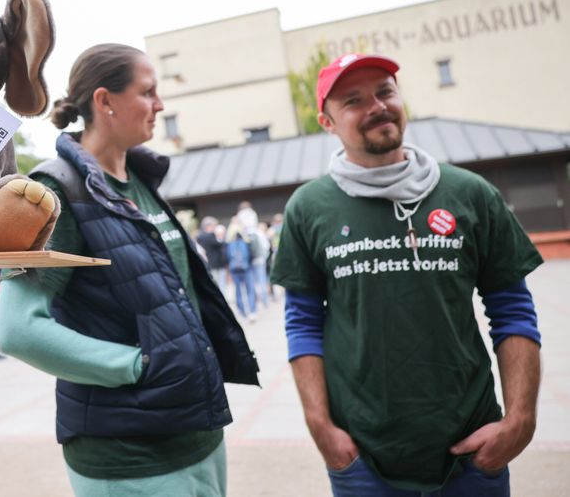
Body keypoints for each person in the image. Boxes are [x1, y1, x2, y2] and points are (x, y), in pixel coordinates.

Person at [271, 53, 542, 496]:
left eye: (385, 91)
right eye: (354, 100)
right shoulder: (308, 207)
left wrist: (519, 420)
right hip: (363, 459)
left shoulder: (470, 193)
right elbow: (302, 322)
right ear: (327, 122)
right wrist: (321, 428)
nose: (377, 105)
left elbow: (512, 309)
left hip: (472, 454)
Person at [0, 43, 259, 497]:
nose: (160, 105)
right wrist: (138, 366)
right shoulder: (55, 190)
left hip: (197, 432)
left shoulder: (140, 180)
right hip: (126, 456)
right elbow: (19, 330)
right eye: (148, 92)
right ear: (105, 101)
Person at [225, 219, 256, 321]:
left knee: (238, 291)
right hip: (246, 268)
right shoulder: (245, 239)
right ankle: (252, 311)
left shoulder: (229, 241)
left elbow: (227, 257)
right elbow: (251, 253)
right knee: (250, 290)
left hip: (234, 269)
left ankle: (242, 313)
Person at [195, 216, 229, 295]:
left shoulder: (200, 236)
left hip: (208, 264)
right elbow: (221, 244)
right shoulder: (210, 236)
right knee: (220, 285)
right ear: (209, 226)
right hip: (216, 264)